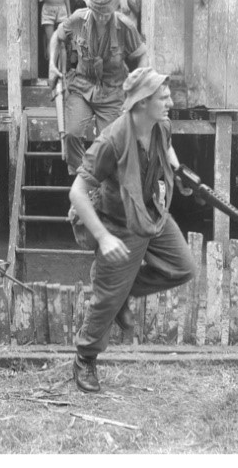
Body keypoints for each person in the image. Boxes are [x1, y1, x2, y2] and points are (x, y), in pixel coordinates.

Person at [69, 67, 196, 393]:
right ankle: (85, 357)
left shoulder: (161, 125)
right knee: (106, 299)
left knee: (183, 267)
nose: (170, 101)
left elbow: (166, 147)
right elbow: (77, 194)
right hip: (118, 223)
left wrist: (179, 172)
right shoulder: (111, 141)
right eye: (162, 97)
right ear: (141, 103)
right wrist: (103, 237)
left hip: (151, 212)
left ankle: (125, 293)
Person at [48, 0, 149, 176]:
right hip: (82, 85)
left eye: (106, 12)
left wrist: (138, 80)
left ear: (114, 8)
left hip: (113, 89)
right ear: (90, 7)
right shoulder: (78, 19)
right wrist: (52, 66)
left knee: (110, 142)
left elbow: (142, 54)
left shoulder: (125, 26)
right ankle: (82, 176)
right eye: (97, 11)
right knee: (71, 134)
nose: (102, 17)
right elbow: (56, 37)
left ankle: (102, 180)